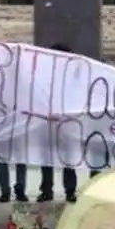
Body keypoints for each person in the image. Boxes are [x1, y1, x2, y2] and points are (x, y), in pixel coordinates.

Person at [38, 42, 78, 203]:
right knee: (46, 158)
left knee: (68, 158)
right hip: (46, 122)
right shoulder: (43, 76)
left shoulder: (74, 77)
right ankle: (47, 190)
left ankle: (70, 190)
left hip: (67, 123)